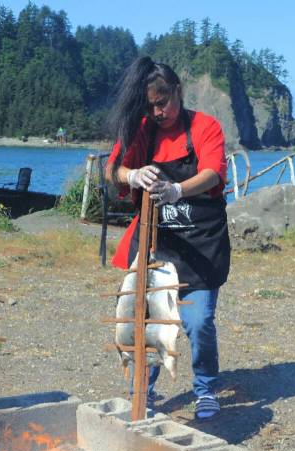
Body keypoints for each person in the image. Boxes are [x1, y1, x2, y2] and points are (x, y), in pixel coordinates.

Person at [106, 57, 230, 420]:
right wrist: (132, 176)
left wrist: (177, 189)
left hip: (200, 245)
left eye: (164, 102)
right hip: (156, 246)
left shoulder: (205, 126)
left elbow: (211, 173)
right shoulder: (141, 129)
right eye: (152, 105)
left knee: (199, 321)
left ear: (178, 91)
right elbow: (112, 169)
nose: (159, 111)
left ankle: (205, 388)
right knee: (147, 320)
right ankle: (142, 391)